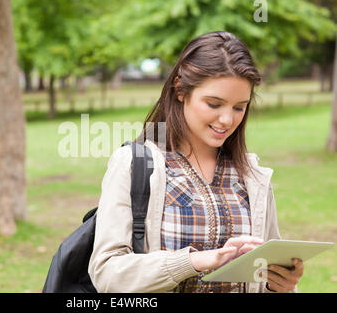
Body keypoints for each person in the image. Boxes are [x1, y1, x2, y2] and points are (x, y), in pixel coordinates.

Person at [88, 31, 304, 293]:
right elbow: (107, 274)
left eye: (239, 107)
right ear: (180, 90)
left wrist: (280, 285)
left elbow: (264, 276)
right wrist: (194, 261)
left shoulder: (253, 176)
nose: (227, 119)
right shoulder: (135, 165)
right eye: (214, 104)